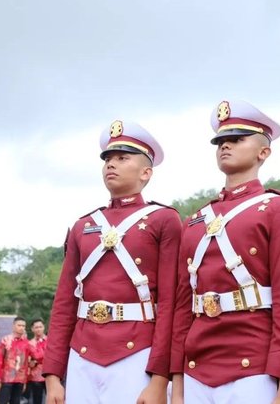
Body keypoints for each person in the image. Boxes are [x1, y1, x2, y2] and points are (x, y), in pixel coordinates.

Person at [170, 99, 280, 404]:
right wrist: (177, 384)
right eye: (220, 141)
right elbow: (183, 307)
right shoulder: (195, 221)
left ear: (264, 152)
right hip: (196, 368)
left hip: (254, 367)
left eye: (236, 139)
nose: (225, 146)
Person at [43, 120, 182, 404]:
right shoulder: (84, 225)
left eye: (122, 158)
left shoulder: (163, 219)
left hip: (137, 353)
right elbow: (64, 305)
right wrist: (53, 375)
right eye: (107, 159)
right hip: (81, 354)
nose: (111, 164)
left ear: (146, 172)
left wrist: (159, 378)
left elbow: (170, 304)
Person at [0, 317, 43, 404]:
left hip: (20, 379)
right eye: (19, 325)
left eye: (23, 326)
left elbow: (37, 356)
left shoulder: (27, 343)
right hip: (6, 378)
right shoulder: (5, 340)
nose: (21, 327)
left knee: (16, 401)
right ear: (13, 326)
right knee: (2, 401)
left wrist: (39, 343)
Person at [27, 319, 47, 404]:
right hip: (35, 375)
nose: (38, 329)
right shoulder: (29, 343)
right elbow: (30, 358)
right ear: (32, 329)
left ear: (44, 327)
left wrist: (36, 360)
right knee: (36, 400)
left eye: (40, 327)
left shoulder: (50, 341)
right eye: (36, 327)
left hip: (49, 374)